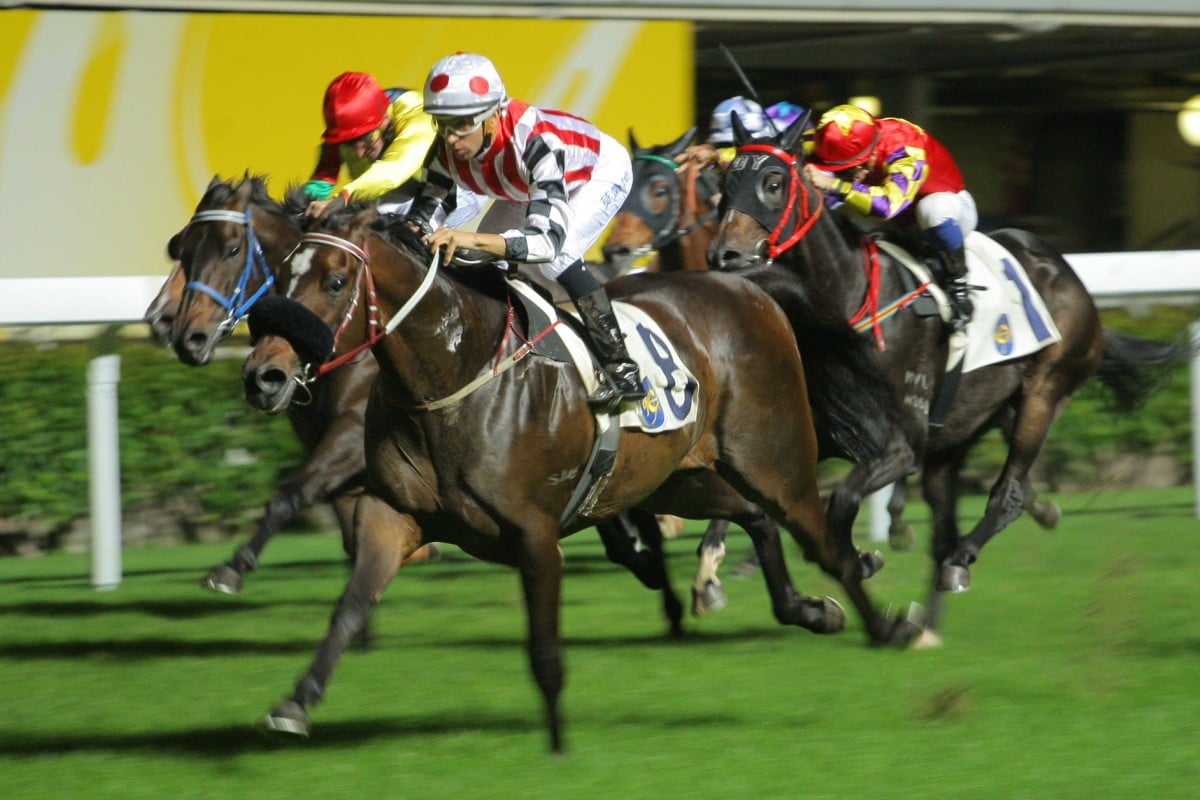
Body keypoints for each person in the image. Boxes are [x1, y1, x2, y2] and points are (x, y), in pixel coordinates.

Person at [405, 52, 645, 411]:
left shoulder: (535, 142)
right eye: (442, 123)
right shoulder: (444, 150)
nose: (452, 139)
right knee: (486, 262)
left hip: (596, 172)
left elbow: (546, 243)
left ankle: (621, 365)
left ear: (493, 116)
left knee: (555, 259)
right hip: (523, 186)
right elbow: (424, 216)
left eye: (463, 123)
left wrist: (470, 237)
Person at [804, 103, 976, 328]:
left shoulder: (906, 148)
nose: (853, 175)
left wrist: (832, 183)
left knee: (931, 210)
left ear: (873, 150)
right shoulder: (826, 140)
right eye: (841, 169)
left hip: (951, 210)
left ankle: (958, 282)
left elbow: (888, 206)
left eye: (855, 167)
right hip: (901, 222)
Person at [302, 71, 484, 226]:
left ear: (385, 120)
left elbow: (395, 169)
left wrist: (342, 197)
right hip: (404, 190)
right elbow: (321, 181)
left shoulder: (417, 112)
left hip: (462, 188)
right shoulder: (347, 128)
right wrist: (299, 211)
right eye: (350, 143)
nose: (358, 153)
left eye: (366, 140)